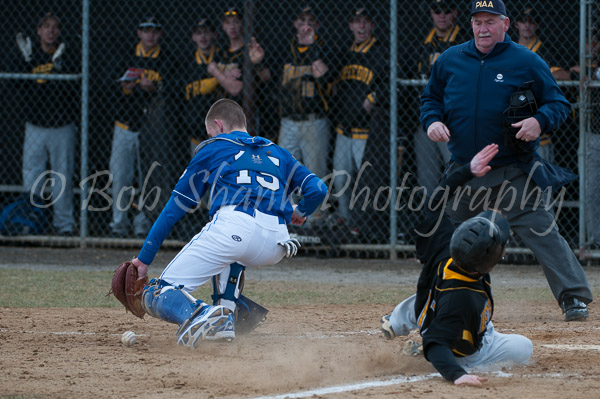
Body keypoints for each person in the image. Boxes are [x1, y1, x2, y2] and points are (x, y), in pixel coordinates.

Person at [420, 0, 593, 321]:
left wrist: (539, 121)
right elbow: (430, 97)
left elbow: (558, 103)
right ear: (470, 24)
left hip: (514, 169)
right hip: (464, 170)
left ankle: (573, 297)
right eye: (477, 22)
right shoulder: (450, 59)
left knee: (542, 231)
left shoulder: (526, 60)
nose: (482, 29)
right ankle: (438, 296)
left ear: (505, 24)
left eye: (490, 21)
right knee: (447, 236)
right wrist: (432, 121)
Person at [130, 99, 328, 348]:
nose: (210, 137)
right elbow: (318, 188)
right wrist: (300, 211)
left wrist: (144, 259)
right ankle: (227, 313)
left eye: (210, 132)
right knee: (232, 253)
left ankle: (199, 315)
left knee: (156, 291)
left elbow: (173, 209)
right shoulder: (277, 151)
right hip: (278, 241)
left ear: (218, 125)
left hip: (236, 226)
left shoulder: (214, 148)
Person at [381, 144, 533, 386]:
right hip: (458, 343)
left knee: (431, 299)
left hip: (428, 304)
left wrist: (467, 171)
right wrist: (457, 374)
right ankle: (467, 363)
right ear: (489, 264)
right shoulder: (465, 297)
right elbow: (435, 344)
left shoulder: (444, 244)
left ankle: (398, 319)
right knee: (524, 348)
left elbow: (434, 203)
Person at [15, 12, 78, 236]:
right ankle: (30, 221)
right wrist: (26, 61)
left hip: (62, 126)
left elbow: (73, 90)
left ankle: (64, 225)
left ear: (59, 32)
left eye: (54, 27)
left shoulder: (67, 55)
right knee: (32, 176)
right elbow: (18, 89)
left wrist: (59, 64)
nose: (51, 31)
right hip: (35, 126)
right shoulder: (29, 56)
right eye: (46, 26)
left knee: (62, 175)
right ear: (39, 31)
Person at [109, 17, 171, 238]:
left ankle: (142, 225)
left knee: (149, 178)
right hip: (125, 125)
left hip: (152, 130)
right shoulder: (126, 56)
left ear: (159, 34)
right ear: (139, 33)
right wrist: (129, 88)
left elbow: (171, 87)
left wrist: (153, 87)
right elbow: (110, 89)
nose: (150, 35)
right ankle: (118, 224)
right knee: (121, 177)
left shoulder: (166, 58)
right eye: (146, 30)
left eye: (154, 31)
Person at [328, 7, 385, 235]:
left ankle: (363, 225)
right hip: (344, 129)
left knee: (365, 182)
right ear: (350, 25)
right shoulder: (343, 52)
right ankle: (344, 219)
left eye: (365, 22)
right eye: (356, 22)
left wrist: (371, 99)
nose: (361, 27)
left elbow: (387, 84)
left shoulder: (379, 52)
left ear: (372, 26)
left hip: (365, 130)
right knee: (341, 179)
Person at [414, 0, 469, 194]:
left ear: (454, 12)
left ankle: (459, 222)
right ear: (431, 13)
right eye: (437, 10)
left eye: (447, 10)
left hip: (453, 123)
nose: (442, 15)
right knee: (426, 180)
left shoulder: (464, 41)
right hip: (428, 121)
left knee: (458, 177)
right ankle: (431, 222)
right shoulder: (424, 43)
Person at [514, 5, 571, 163]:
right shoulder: (508, 50)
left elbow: (560, 75)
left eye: (531, 22)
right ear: (515, 24)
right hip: (510, 134)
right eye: (523, 21)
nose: (527, 25)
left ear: (537, 25)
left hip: (539, 134)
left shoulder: (545, 51)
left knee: (541, 184)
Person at [570, 26, 600, 249]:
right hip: (593, 134)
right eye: (590, 42)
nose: (593, 46)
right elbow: (565, 72)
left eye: (596, 42)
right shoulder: (586, 65)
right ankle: (594, 241)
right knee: (590, 191)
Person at [216, 7, 270, 122]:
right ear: (223, 26)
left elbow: (236, 87)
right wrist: (225, 76)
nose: (232, 26)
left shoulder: (250, 50)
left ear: (242, 24)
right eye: (228, 22)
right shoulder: (221, 53)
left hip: (243, 115)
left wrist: (218, 74)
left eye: (236, 21)